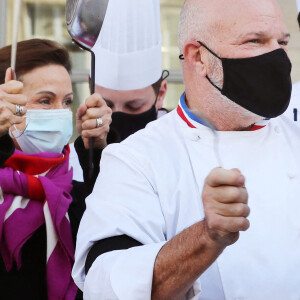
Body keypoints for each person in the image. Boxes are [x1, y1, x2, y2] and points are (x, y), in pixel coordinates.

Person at [73, 0, 300, 299]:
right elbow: (108, 283)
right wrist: (206, 236)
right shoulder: (137, 160)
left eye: (282, 42)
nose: (278, 57)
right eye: (255, 41)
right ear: (198, 57)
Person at [0, 39, 111, 300]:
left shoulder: (76, 187)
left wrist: (97, 150)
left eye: (67, 101)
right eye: (45, 101)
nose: (61, 113)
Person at [70, 0, 168, 181]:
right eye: (107, 104)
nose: (115, 117)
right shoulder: (70, 167)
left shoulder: (179, 155)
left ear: (161, 94)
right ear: (90, 88)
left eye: (134, 107)